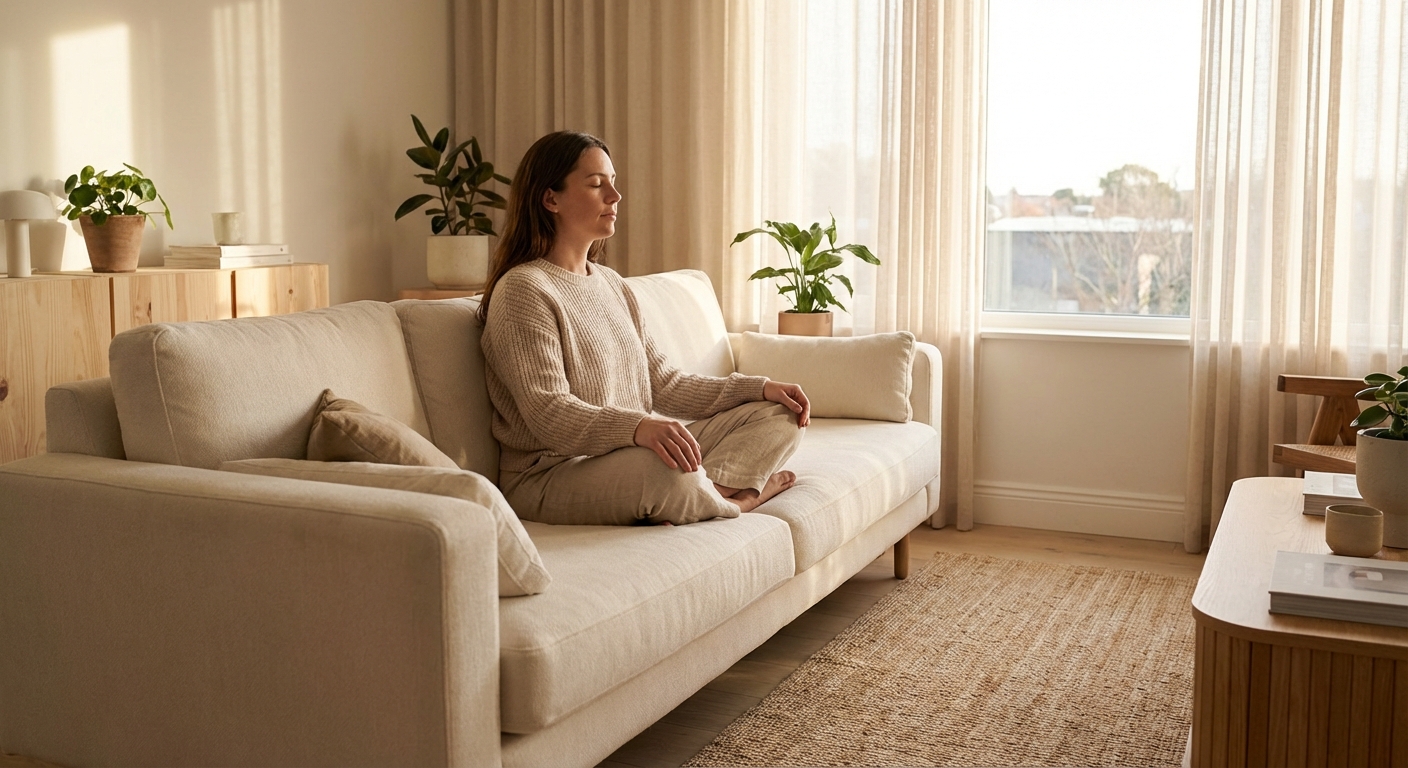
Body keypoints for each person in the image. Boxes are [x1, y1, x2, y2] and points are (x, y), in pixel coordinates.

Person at [478, 130, 809, 526]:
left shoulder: (612, 284)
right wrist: (638, 427)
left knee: (780, 413)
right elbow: (549, 412)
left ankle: (702, 495)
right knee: (664, 470)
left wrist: (758, 387)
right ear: (551, 199)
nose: (615, 197)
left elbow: (664, 384)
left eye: (613, 183)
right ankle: (736, 501)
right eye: (597, 184)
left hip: (625, 456)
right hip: (551, 474)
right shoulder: (523, 289)